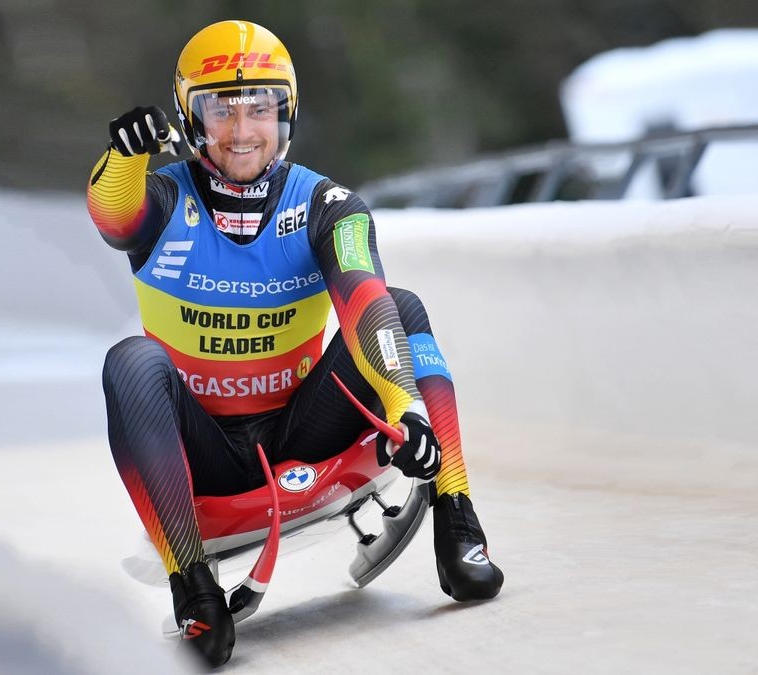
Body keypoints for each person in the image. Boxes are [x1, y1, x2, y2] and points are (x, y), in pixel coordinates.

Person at [86, 19, 503, 667]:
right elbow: (113, 216)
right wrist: (124, 157)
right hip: (208, 453)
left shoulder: (329, 204)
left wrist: (404, 407)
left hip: (303, 426)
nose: (244, 131)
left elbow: (365, 299)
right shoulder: (163, 198)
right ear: (190, 119)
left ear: (287, 112)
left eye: (262, 107)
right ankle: (194, 590)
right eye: (221, 109)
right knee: (130, 362)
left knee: (404, 307)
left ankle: (458, 518)